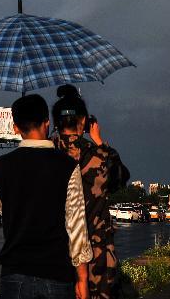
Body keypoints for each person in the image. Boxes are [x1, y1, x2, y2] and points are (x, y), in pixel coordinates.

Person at [0, 94, 93, 299]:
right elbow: (76, 225)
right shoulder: (67, 166)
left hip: (14, 275)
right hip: (57, 274)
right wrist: (82, 278)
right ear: (47, 123)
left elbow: (1, 206)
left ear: (16, 127)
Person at [52, 85, 130, 299]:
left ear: (55, 122)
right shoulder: (100, 156)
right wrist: (99, 141)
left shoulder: (46, 154)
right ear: (85, 121)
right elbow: (121, 177)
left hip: (56, 252)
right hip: (97, 256)